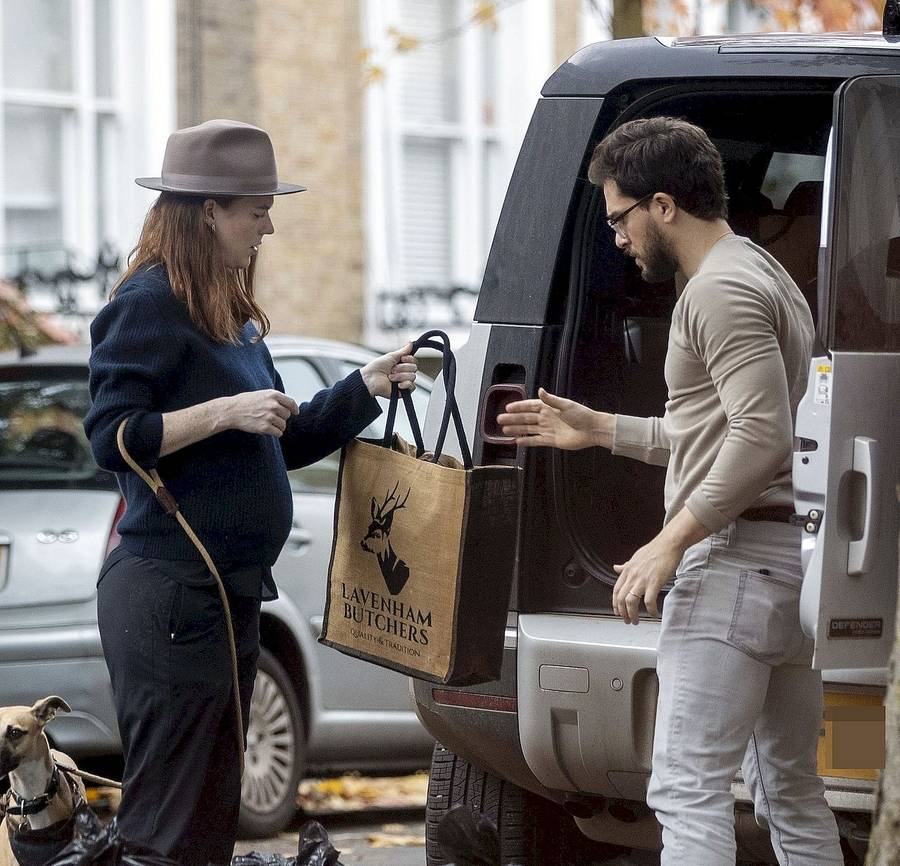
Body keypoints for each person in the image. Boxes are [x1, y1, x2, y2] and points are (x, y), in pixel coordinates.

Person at [498, 117, 842, 865]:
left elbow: (760, 439)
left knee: (686, 787)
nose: (618, 236)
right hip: (782, 563)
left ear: (662, 205)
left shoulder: (719, 291)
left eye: (620, 216)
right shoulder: (759, 270)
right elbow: (719, 434)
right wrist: (599, 429)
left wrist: (667, 542)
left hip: (733, 566)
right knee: (789, 790)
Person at [83, 119, 417, 866]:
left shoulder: (227, 315)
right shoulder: (146, 303)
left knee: (207, 815)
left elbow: (284, 440)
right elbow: (110, 437)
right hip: (169, 593)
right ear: (208, 211)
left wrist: (364, 384)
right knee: (167, 822)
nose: (268, 225)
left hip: (224, 596)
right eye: (256, 209)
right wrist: (223, 412)